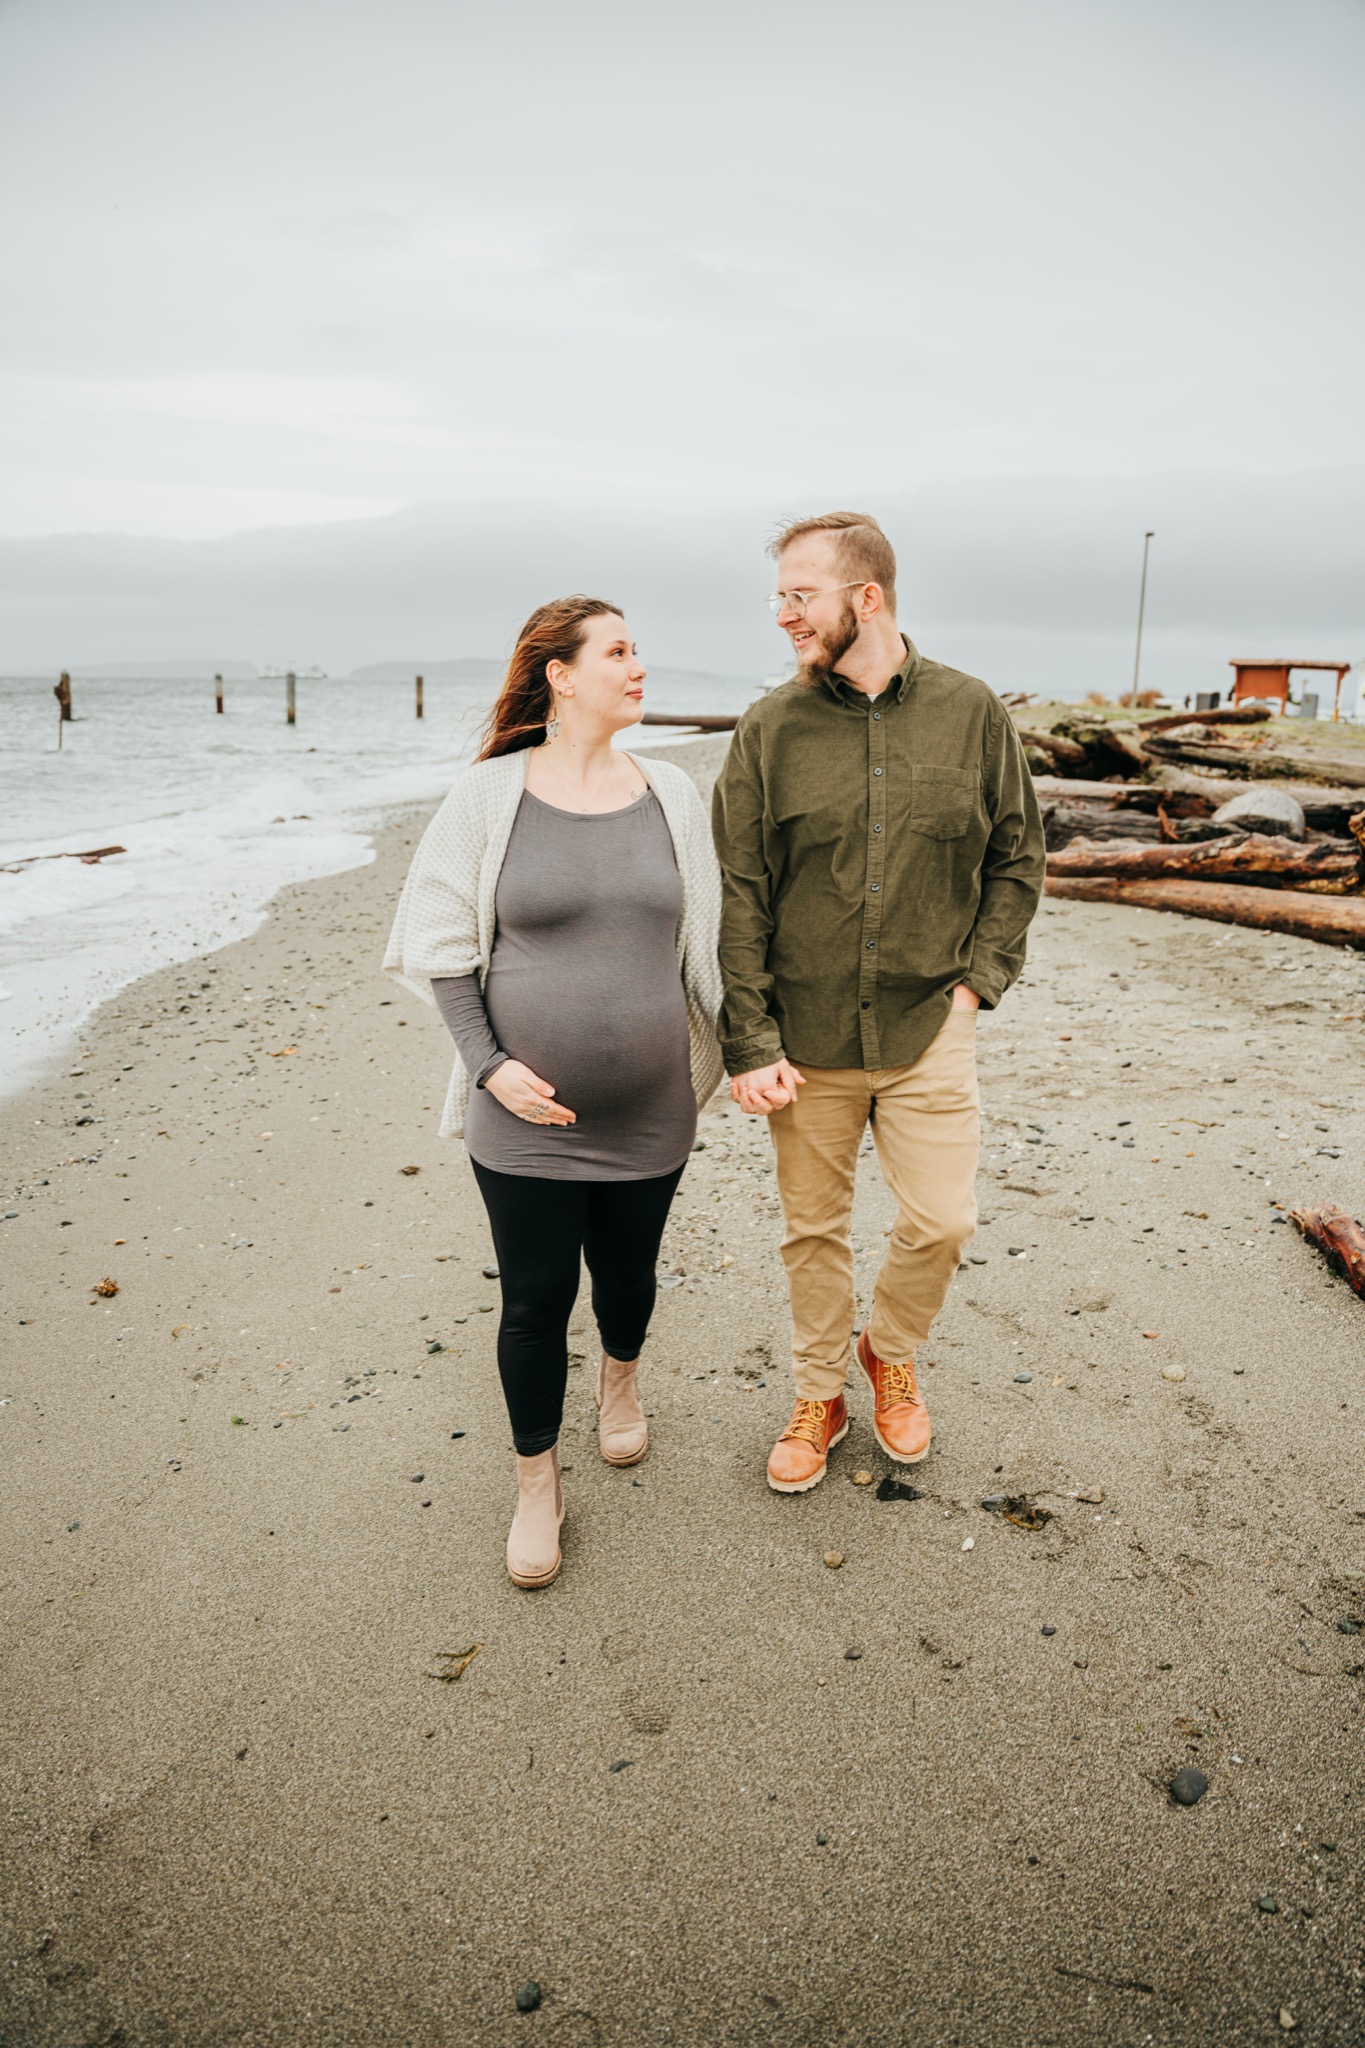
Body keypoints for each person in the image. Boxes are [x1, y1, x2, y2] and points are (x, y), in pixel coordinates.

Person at [385, 597, 723, 1586]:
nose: (639, 665)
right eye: (618, 651)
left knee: (627, 1279)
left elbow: (705, 954)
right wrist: (492, 1065)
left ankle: (620, 1382)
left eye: (638, 648)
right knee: (535, 1298)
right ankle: (538, 1484)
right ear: (562, 675)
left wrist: (750, 1054)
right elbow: (442, 947)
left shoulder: (671, 793)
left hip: (653, 1108)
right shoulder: (490, 796)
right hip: (523, 1117)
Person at [711, 512, 1045, 1492]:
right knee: (811, 1231)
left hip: (927, 1024)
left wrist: (980, 984)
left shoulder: (974, 713)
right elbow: (740, 892)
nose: (783, 616)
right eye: (778, 596)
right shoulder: (768, 731)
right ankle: (819, 1393)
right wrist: (749, 1036)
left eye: (799, 595)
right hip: (802, 1036)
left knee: (943, 1221)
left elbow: (1017, 857)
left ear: (870, 597)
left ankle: (888, 1348)